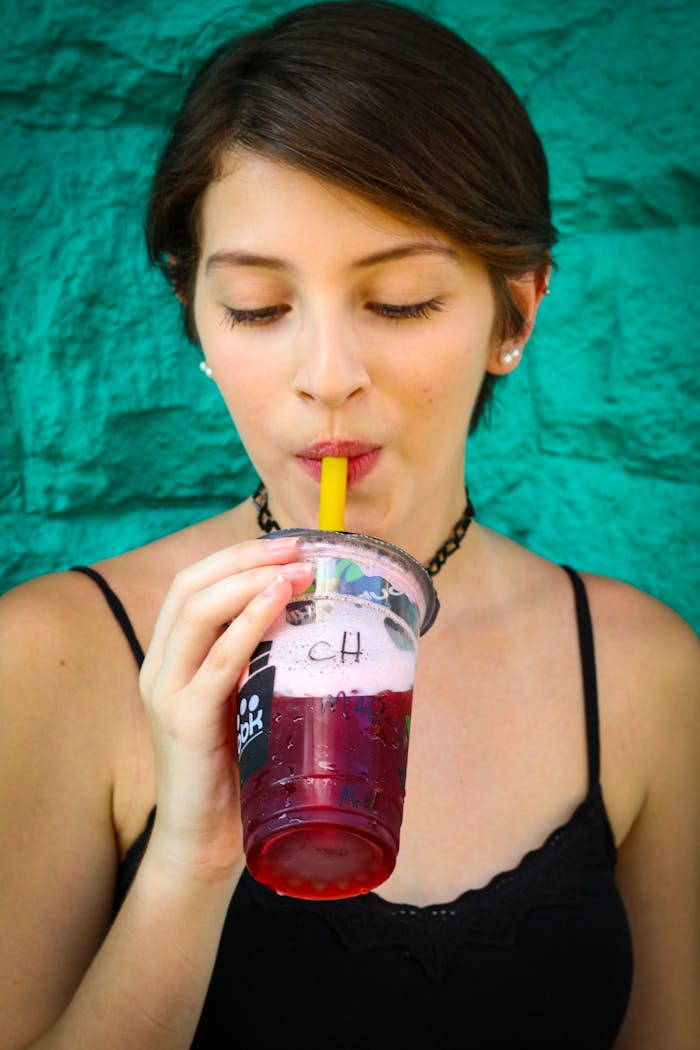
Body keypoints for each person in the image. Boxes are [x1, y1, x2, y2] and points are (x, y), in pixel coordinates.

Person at [1, 2, 698, 1047]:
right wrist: (191, 858)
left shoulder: (645, 672)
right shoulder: (49, 658)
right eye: (255, 307)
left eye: (403, 299)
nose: (327, 379)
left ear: (516, 309)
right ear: (193, 314)